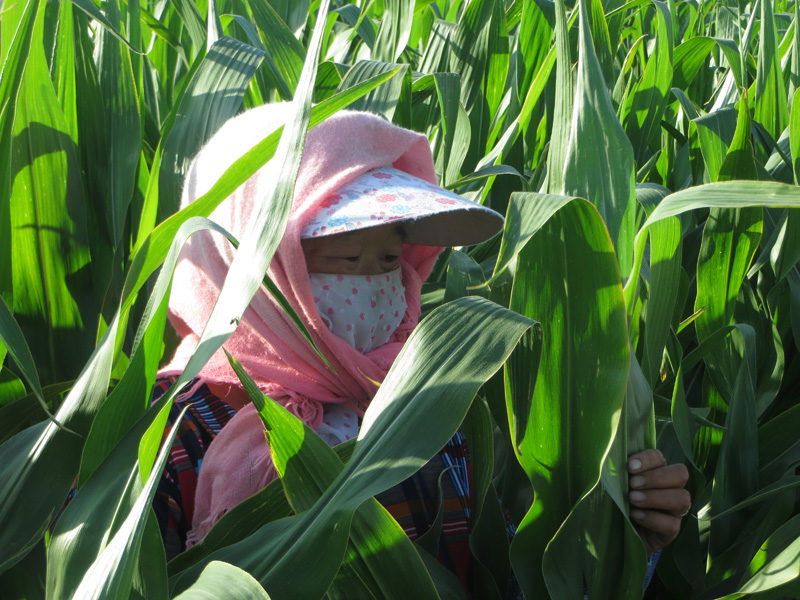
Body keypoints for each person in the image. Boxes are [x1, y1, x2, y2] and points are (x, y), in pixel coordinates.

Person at [152, 103, 690, 589]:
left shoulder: (427, 409)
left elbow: (504, 581)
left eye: (389, 259)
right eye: (345, 258)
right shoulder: (172, 433)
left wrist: (622, 542)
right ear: (253, 270)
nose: (374, 283)